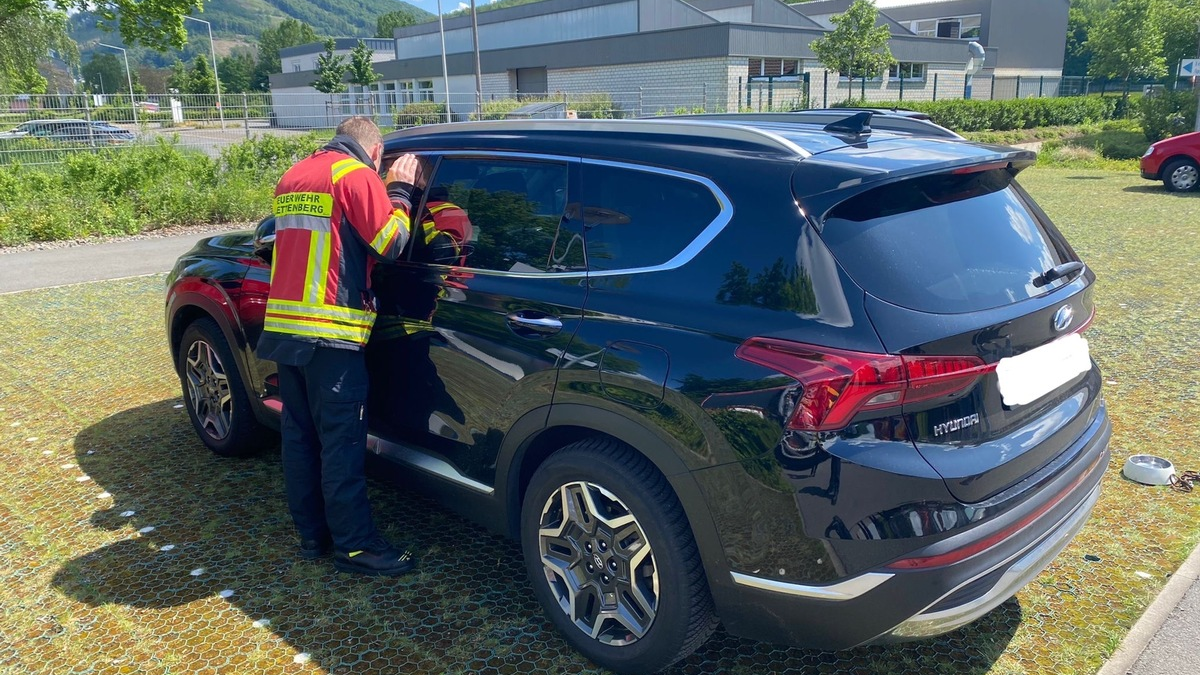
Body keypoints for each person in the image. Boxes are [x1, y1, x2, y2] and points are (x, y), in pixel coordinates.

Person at [256, 116, 422, 577]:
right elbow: (391, 243)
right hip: (332, 335)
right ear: (375, 150)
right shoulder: (356, 176)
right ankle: (356, 547)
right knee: (341, 445)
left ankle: (313, 537)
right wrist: (400, 191)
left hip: (288, 333)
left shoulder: (294, 175)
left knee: (301, 440)